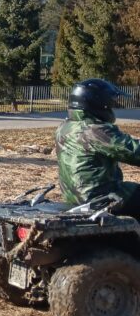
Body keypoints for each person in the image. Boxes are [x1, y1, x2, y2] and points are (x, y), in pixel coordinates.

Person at [55, 78, 140, 217]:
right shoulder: (94, 130)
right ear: (99, 104)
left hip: (75, 196)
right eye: (110, 104)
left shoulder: (65, 127)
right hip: (101, 197)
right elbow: (133, 151)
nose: (111, 108)